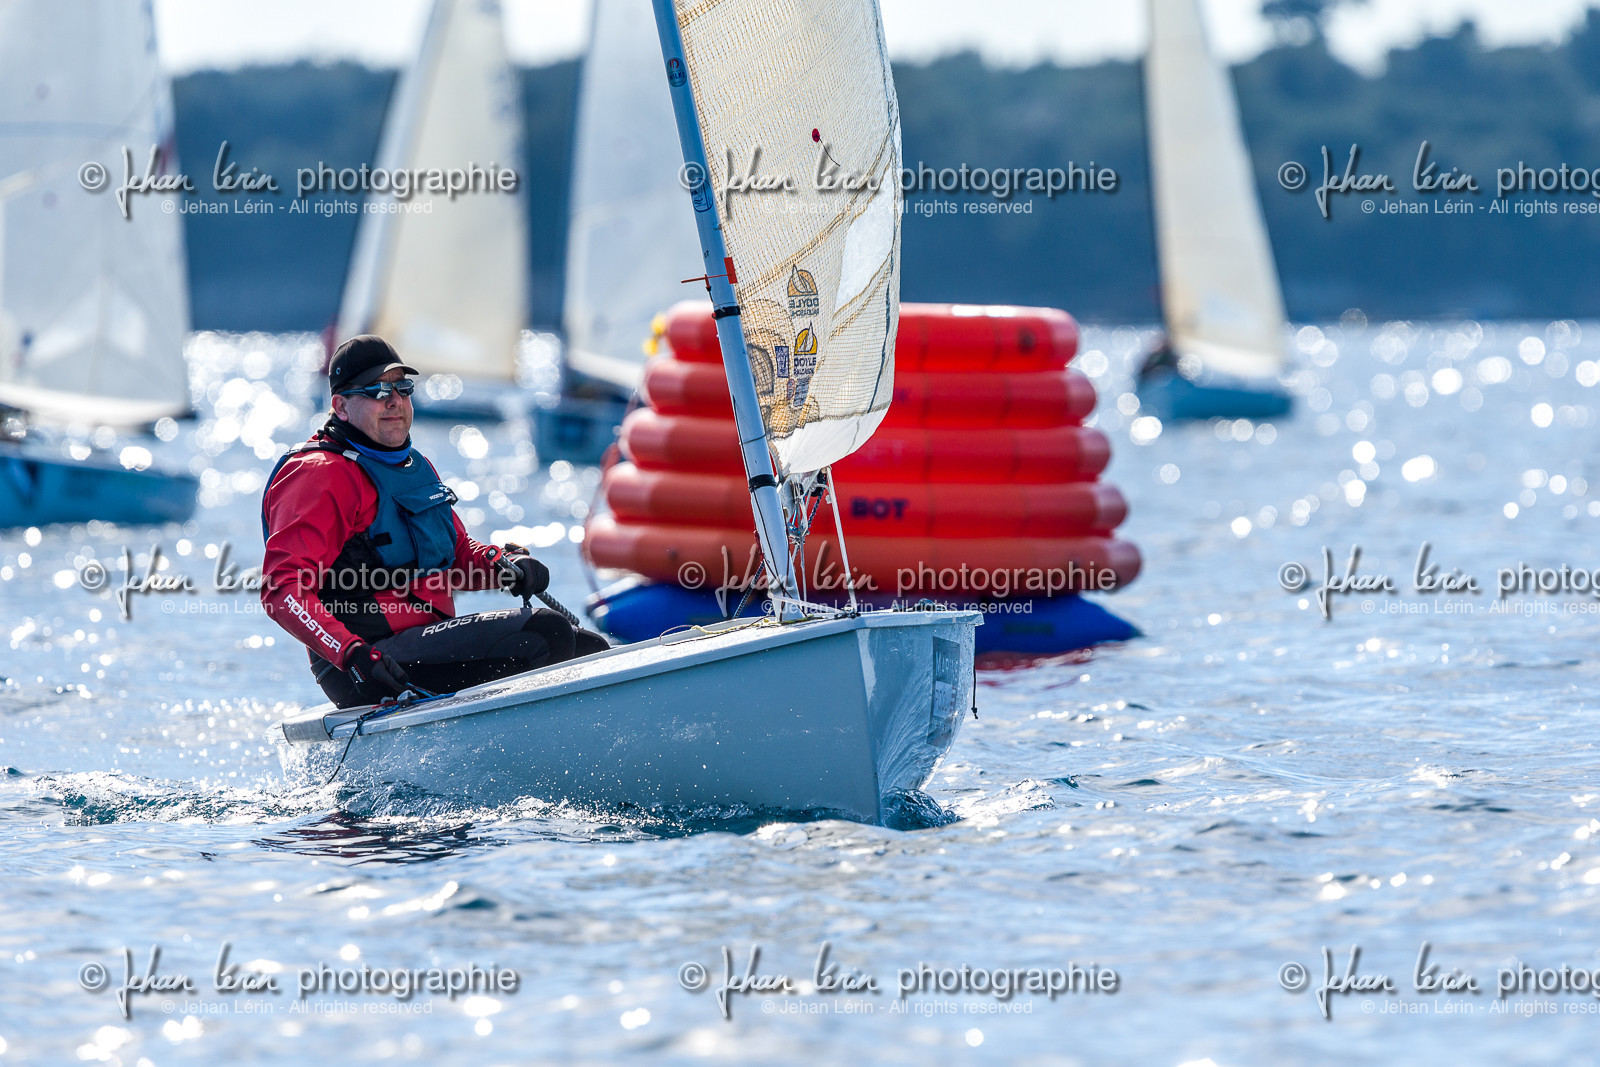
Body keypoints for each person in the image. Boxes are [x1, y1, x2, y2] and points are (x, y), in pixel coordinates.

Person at [260, 335, 607, 708]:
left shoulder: (413, 466)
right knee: (545, 632)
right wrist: (351, 654)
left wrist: (505, 566)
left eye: (402, 387)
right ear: (340, 406)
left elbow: (456, 552)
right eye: (376, 390)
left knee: (590, 647)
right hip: (366, 666)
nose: (393, 400)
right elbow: (281, 590)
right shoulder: (319, 475)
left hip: (423, 642)